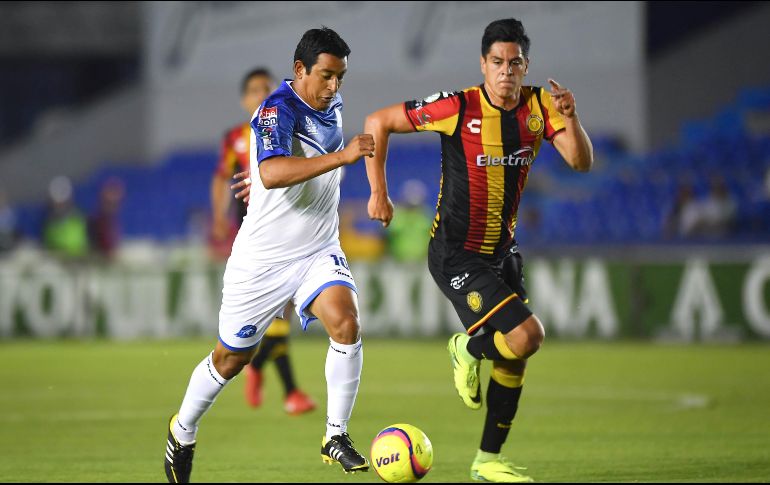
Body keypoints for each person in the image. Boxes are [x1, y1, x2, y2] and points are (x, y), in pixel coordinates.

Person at [363, 18, 594, 483]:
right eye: (497, 62)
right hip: (456, 253)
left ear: (526, 66)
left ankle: (487, 460)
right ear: (483, 65)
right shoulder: (459, 106)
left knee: (514, 355)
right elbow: (377, 122)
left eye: (515, 63)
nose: (506, 70)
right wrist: (378, 194)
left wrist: (571, 116)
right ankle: (466, 348)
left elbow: (580, 162)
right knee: (528, 336)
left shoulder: (541, 106)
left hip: (503, 251)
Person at [164, 27, 375, 483]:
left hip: (318, 249)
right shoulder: (277, 108)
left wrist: (264, 180)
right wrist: (336, 160)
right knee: (230, 359)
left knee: (346, 323)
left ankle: (335, 435)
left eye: (340, 77)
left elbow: (278, 170)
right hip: (262, 261)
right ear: (300, 69)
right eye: (326, 75)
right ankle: (182, 430)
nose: (334, 86)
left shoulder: (330, 102)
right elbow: (274, 171)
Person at [210, 67, 316, 416]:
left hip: (290, 229)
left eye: (266, 88)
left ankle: (287, 390)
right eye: (254, 90)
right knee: (279, 313)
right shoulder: (236, 138)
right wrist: (219, 217)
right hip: (257, 236)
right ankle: (268, 376)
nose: (261, 94)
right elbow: (222, 178)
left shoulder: (285, 126)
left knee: (281, 313)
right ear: (245, 99)